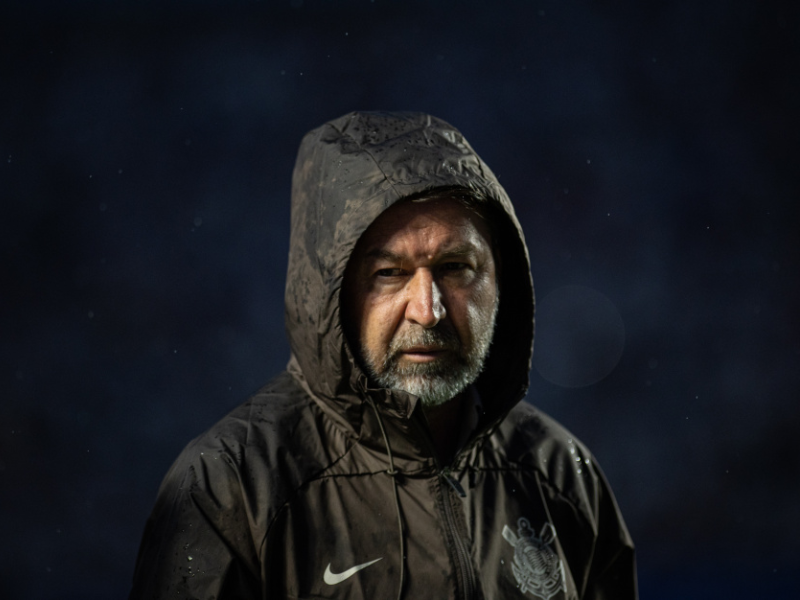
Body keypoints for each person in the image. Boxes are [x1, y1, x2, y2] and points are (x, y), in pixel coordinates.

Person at [129, 111, 638, 599]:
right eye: (390, 273)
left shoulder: (561, 474)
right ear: (329, 295)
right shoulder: (229, 485)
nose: (429, 309)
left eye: (457, 267)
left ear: (501, 280)